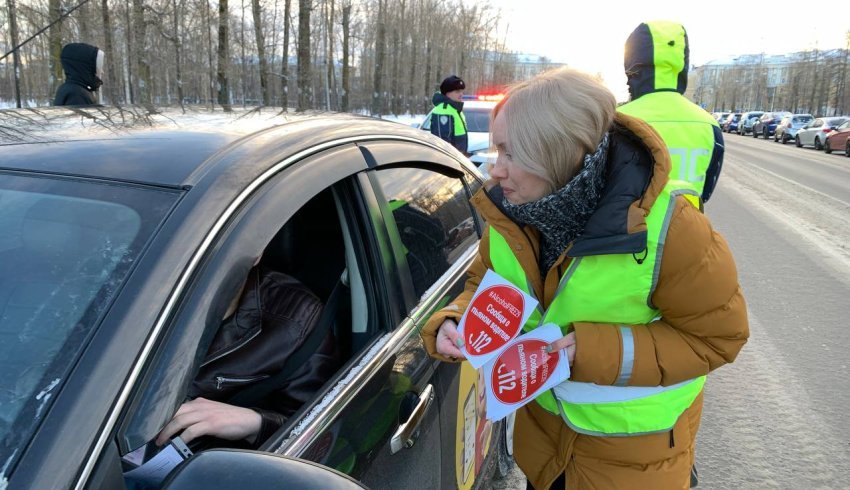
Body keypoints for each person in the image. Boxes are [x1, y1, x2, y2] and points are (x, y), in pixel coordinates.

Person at [420, 67, 749, 488]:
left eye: (510, 154)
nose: (494, 171)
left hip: (632, 462)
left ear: (558, 154)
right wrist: (459, 319)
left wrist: (593, 349)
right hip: (544, 452)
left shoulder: (672, 229)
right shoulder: (513, 216)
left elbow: (719, 337)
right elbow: (484, 284)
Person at [156, 264, 340, 448]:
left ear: (256, 252)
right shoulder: (140, 297)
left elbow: (320, 434)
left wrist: (256, 423)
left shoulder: (297, 321)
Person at [618, 21, 725, 205]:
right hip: (687, 230)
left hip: (629, 232)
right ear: (682, 65)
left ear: (632, 66)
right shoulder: (709, 125)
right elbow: (705, 192)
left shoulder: (617, 121)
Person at [430, 75, 469, 154]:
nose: (461, 94)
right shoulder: (444, 110)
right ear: (447, 93)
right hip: (449, 161)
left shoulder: (455, 109)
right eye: (457, 92)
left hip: (457, 158)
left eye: (462, 91)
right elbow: (443, 144)